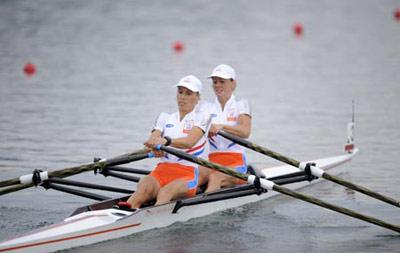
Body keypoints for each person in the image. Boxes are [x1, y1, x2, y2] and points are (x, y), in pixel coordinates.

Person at [123, 75, 211, 209]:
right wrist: (153, 147)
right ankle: (124, 213)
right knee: (143, 186)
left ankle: (150, 222)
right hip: (161, 171)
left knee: (165, 192)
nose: (182, 97)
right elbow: (152, 140)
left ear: (198, 97)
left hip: (187, 175)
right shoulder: (164, 117)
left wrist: (165, 142)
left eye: (188, 93)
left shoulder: (202, 117)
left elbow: (189, 142)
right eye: (180, 92)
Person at [203, 64, 252, 193]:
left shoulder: (241, 105)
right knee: (188, 175)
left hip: (236, 163)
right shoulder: (206, 107)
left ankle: (207, 210)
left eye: (222, 82)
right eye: (215, 82)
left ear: (233, 83)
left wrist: (222, 127)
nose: (217, 85)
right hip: (210, 162)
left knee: (215, 177)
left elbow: (245, 131)